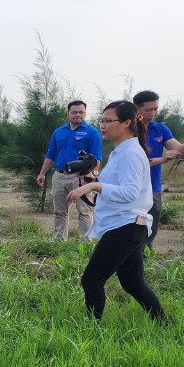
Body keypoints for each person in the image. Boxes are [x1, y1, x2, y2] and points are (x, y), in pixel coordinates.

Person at [66, 101, 165, 321]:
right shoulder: (122, 150)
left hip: (125, 226)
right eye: (102, 120)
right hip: (128, 225)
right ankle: (164, 324)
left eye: (109, 120)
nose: (103, 125)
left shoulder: (130, 153)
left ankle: (92, 329)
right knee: (133, 284)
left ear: (127, 123)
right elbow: (121, 185)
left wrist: (94, 186)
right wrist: (94, 179)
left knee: (91, 280)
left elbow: (130, 193)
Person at [132, 90, 184, 255]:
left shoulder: (160, 129)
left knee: (153, 221)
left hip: (154, 187)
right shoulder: (128, 130)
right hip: (132, 186)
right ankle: (133, 255)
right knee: (133, 223)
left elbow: (178, 150)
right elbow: (134, 164)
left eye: (155, 109)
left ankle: (145, 254)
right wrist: (162, 159)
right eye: (148, 110)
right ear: (136, 109)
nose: (152, 113)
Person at [35, 101, 102, 239]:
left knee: (85, 211)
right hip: (59, 176)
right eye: (74, 112)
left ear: (85, 113)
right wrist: (42, 173)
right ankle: (59, 242)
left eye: (81, 112)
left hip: (81, 177)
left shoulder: (92, 132)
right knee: (60, 212)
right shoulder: (58, 132)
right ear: (68, 114)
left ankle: (85, 244)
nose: (78, 115)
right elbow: (51, 154)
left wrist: (92, 176)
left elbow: (97, 157)